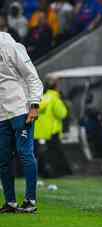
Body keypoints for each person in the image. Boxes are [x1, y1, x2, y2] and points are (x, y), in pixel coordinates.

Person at [0, 32, 43, 213]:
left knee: (25, 153)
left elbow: (32, 76)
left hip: (20, 108)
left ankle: (30, 201)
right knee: (2, 159)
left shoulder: (12, 47)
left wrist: (34, 104)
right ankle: (10, 202)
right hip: (2, 113)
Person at [34, 78, 70, 177]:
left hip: (40, 131)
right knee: (54, 153)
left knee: (41, 153)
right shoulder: (54, 98)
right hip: (52, 131)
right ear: (56, 87)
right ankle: (55, 173)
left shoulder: (43, 97)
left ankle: (42, 172)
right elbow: (62, 114)